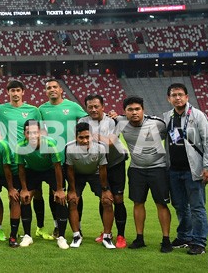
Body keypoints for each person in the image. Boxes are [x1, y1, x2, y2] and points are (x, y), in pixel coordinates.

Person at [113, 96, 172, 253]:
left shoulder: (157, 123)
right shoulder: (119, 122)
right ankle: (139, 238)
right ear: (124, 112)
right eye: (130, 110)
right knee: (138, 203)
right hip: (136, 169)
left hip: (158, 168)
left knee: (161, 204)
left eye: (137, 109)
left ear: (143, 110)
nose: (134, 112)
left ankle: (166, 240)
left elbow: (170, 138)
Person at [163, 83, 208, 255]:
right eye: (173, 95)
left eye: (180, 94)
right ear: (168, 99)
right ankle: (185, 236)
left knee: (197, 207)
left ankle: (199, 242)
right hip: (174, 170)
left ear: (187, 97)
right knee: (179, 206)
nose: (177, 98)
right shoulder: (167, 117)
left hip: (194, 170)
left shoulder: (198, 115)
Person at [36, 78, 87, 241]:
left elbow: (88, 121)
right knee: (55, 194)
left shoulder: (73, 106)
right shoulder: (41, 109)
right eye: (48, 87)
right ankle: (58, 226)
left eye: (54, 87)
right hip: (52, 160)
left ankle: (76, 226)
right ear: (45, 91)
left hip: (72, 159)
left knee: (75, 194)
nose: (52, 89)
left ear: (60, 90)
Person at [80, 94, 129, 248]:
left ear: (103, 106)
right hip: (100, 165)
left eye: (96, 106)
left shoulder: (113, 120)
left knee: (118, 198)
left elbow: (110, 142)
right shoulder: (82, 121)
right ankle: (106, 232)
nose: (93, 109)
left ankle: (121, 235)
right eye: (90, 107)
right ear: (86, 108)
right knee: (105, 198)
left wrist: (91, 136)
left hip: (116, 163)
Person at [16, 120, 69, 249]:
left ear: (40, 132)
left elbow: (57, 167)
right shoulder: (20, 146)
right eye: (29, 133)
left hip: (50, 170)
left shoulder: (50, 143)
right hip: (33, 171)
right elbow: (21, 168)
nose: (32, 135)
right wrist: (23, 189)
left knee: (60, 198)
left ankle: (61, 237)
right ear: (24, 133)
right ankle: (27, 235)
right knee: (25, 198)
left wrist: (60, 189)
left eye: (35, 132)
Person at [65, 123, 116, 249]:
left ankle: (107, 237)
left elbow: (103, 169)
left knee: (108, 201)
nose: (85, 141)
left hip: (95, 174)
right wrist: (72, 190)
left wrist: (105, 190)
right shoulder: (69, 148)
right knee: (72, 201)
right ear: (75, 137)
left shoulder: (100, 147)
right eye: (81, 138)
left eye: (88, 137)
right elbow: (70, 170)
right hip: (77, 175)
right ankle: (77, 236)